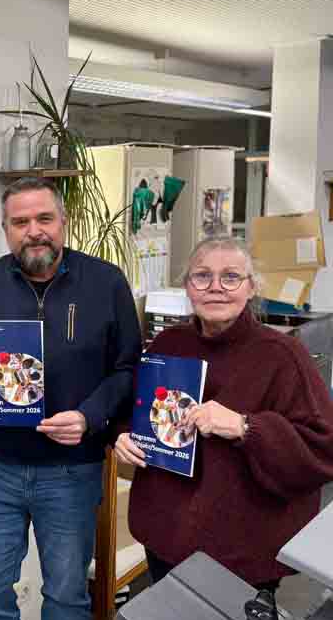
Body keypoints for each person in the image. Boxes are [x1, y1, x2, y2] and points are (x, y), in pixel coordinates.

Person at [0, 177, 141, 620]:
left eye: (44, 219)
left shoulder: (106, 283)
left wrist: (88, 417)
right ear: (5, 229)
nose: (33, 230)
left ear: (63, 223)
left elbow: (127, 369)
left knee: (66, 593)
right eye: (20, 222)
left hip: (72, 472)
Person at [114, 237, 333, 590]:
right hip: (165, 534)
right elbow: (136, 411)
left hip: (241, 550)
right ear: (187, 287)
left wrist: (246, 426)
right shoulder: (169, 344)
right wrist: (124, 435)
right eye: (202, 276)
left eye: (231, 277)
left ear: (251, 288)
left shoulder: (283, 356)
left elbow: (323, 450)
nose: (216, 287)